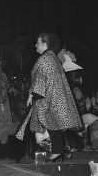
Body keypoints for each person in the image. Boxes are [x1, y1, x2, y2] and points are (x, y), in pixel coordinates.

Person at [16, 33, 82, 162]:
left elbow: (40, 79)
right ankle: (60, 151)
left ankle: (60, 150)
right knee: (51, 126)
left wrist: (32, 95)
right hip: (52, 97)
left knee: (46, 126)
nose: (36, 45)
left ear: (44, 44)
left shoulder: (45, 58)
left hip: (47, 98)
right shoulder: (51, 57)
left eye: (38, 42)